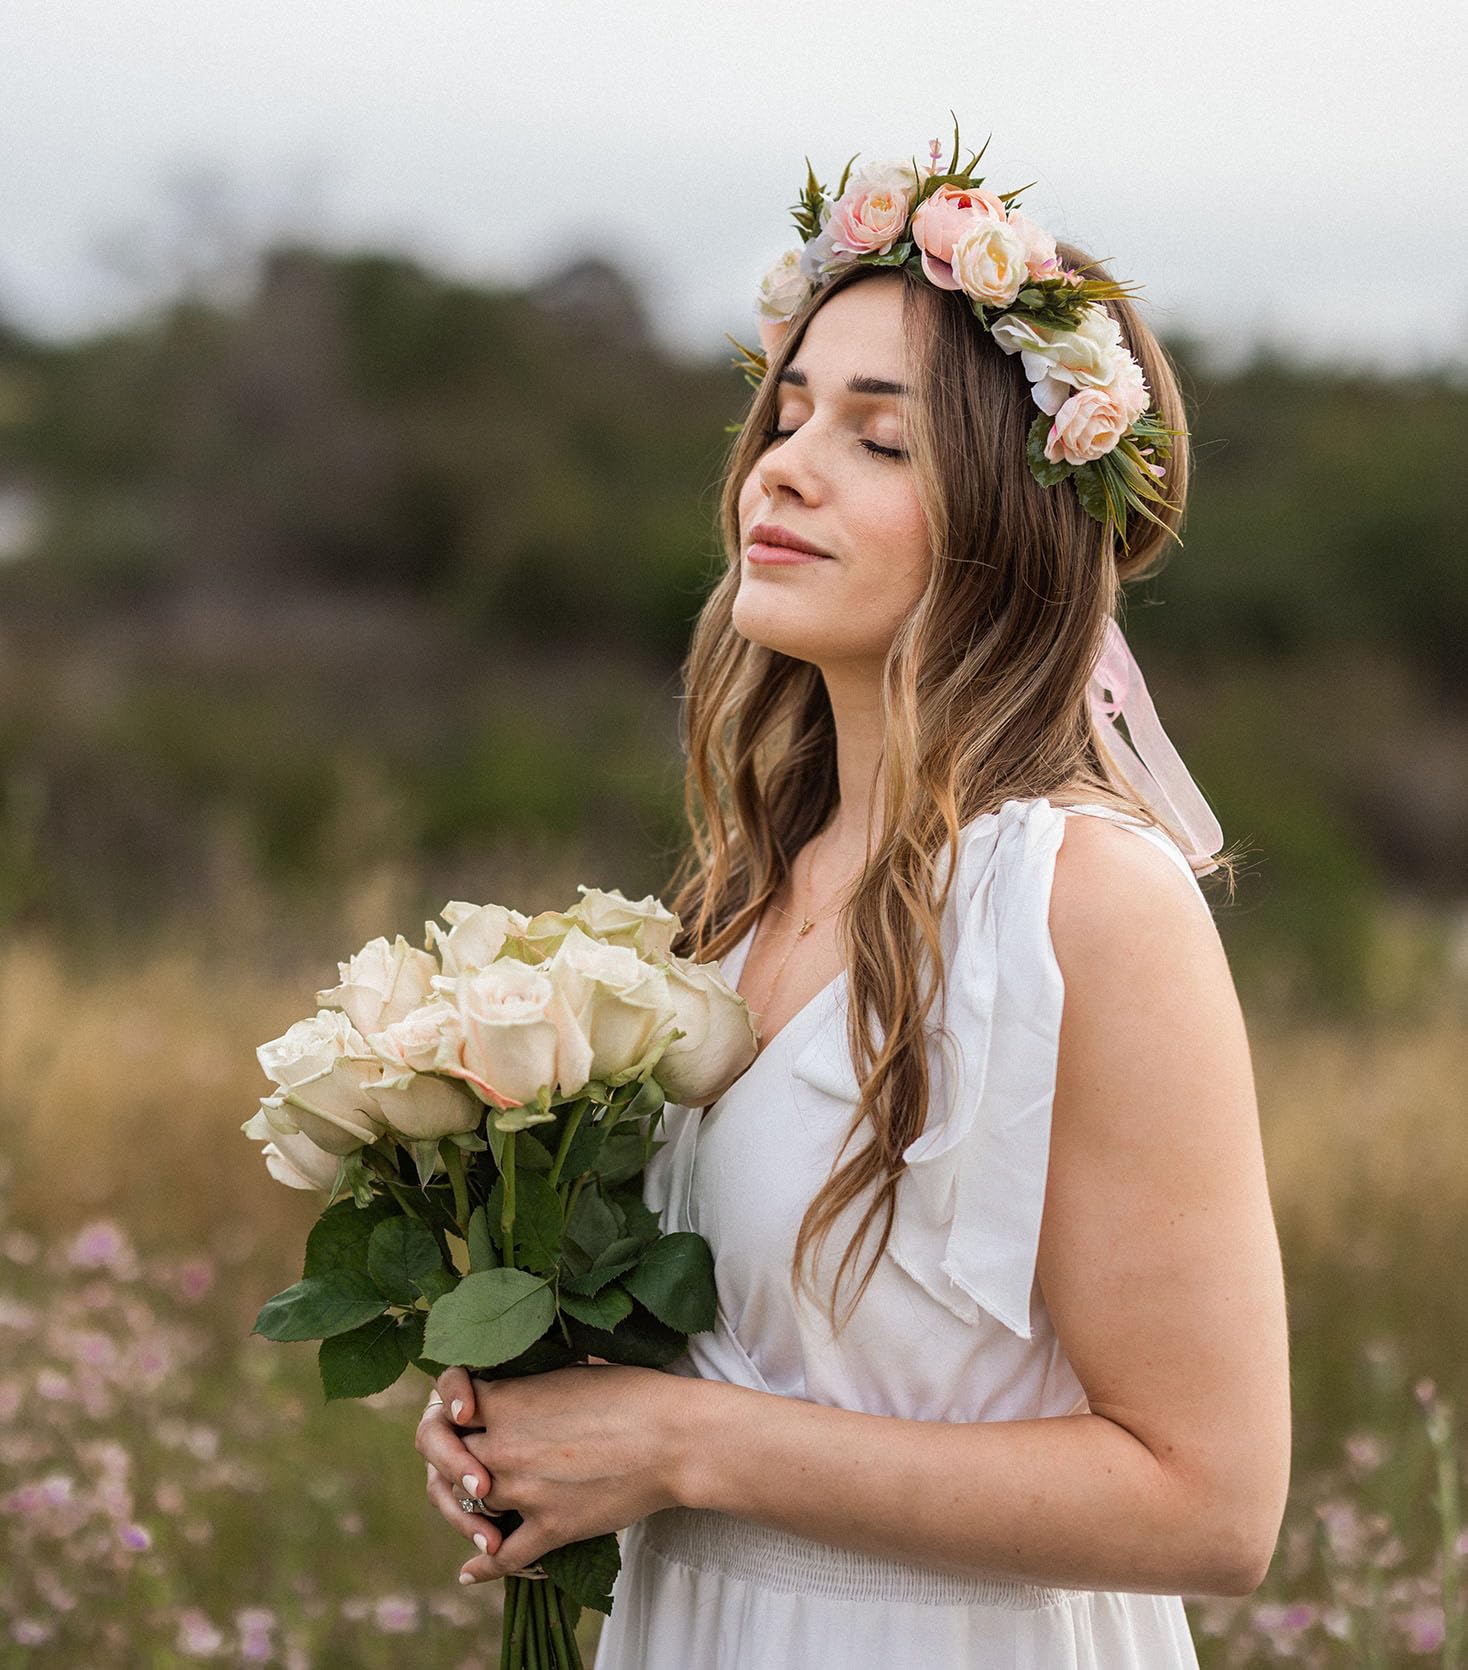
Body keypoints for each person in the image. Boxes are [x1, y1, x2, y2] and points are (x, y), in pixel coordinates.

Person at [414, 142, 1291, 1667]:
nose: (785, 464)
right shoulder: (741, 897)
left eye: (879, 440)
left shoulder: (1084, 900)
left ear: (1010, 524)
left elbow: (1211, 1501)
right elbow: (732, 1351)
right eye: (791, 410)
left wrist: (687, 1442)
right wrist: (536, 1414)